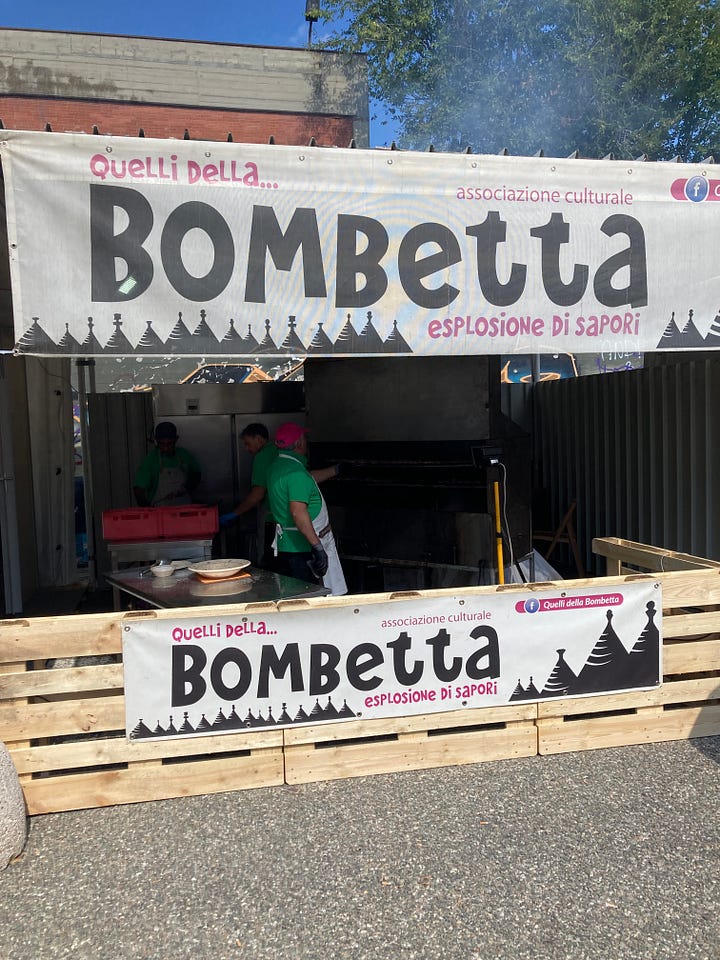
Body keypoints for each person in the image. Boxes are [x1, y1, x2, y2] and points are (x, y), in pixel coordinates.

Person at [267, 421, 347, 595]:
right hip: (303, 549)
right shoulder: (296, 474)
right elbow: (298, 512)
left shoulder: (278, 467)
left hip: (287, 545)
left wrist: (335, 470)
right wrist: (317, 547)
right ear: (299, 443)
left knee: (293, 596)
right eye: (304, 438)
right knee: (310, 599)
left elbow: (308, 479)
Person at [219, 423, 278, 565]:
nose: (246, 448)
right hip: (283, 516)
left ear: (258, 439)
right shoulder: (277, 451)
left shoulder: (262, 457)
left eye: (247, 443)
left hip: (270, 517)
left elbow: (257, 494)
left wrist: (235, 513)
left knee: (267, 559)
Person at [133, 421, 201, 507]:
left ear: (176, 439)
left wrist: (185, 488)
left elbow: (197, 474)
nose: (165, 448)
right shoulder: (151, 460)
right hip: (159, 513)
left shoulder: (184, 455)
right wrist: (147, 509)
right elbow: (138, 489)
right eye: (162, 444)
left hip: (184, 511)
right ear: (157, 441)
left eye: (169, 444)